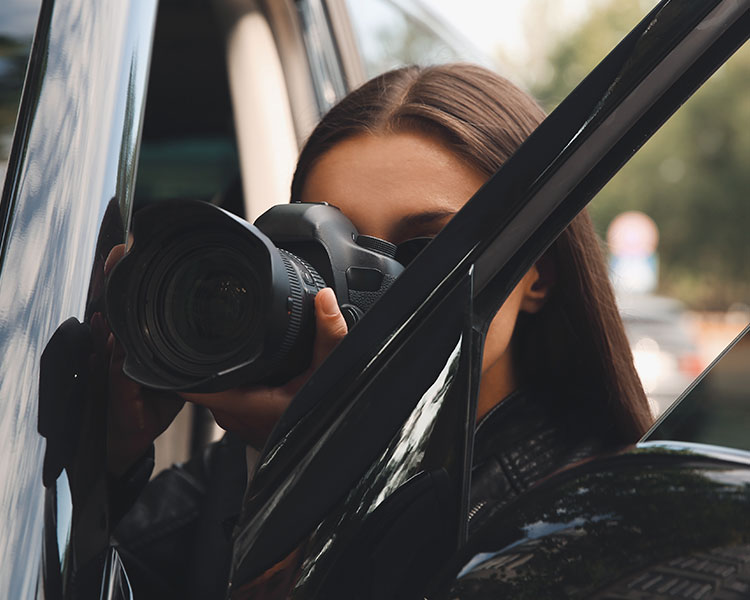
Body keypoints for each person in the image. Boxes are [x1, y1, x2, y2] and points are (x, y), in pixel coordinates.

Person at [107, 63, 652, 598]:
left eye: (428, 251)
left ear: (540, 273)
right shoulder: (252, 455)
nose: (367, 285)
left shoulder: (584, 514)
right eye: (329, 249)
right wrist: (104, 466)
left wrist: (312, 496)